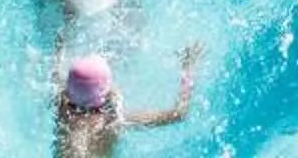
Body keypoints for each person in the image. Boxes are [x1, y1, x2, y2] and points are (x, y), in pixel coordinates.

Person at [53, 48, 199, 157]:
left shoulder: (62, 111)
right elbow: (178, 113)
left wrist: (59, 50)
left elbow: (59, 81)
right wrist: (188, 71)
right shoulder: (113, 123)